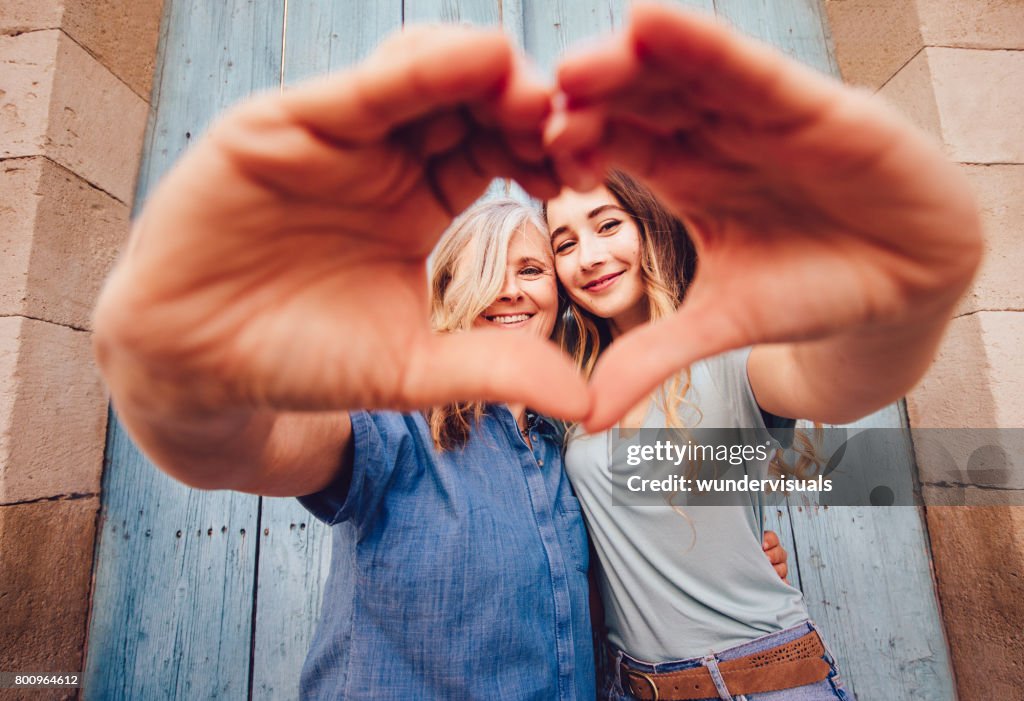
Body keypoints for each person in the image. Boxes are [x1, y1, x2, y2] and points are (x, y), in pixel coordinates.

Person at [89, 4, 981, 701]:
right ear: (445, 293)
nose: (560, 266)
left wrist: (893, 306)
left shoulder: (665, 382)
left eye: (594, 231)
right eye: (549, 247)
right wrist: (182, 366)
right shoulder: (430, 424)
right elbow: (249, 446)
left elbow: (830, 390)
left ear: (646, 233)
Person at [537, 4, 982, 700]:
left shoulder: (729, 357)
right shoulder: (569, 383)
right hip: (628, 685)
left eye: (606, 223)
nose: (588, 255)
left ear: (650, 224)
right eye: (564, 241)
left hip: (755, 683)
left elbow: (841, 377)